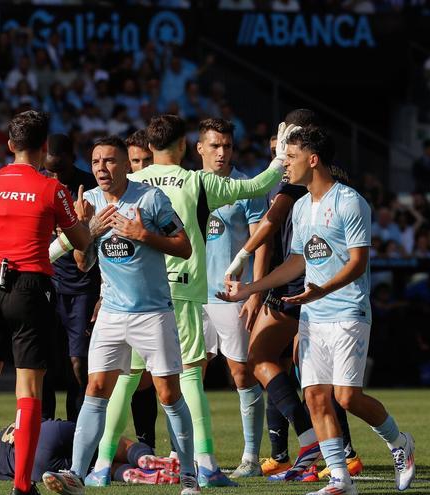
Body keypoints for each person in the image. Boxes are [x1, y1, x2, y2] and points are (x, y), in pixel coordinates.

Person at [89, 114, 284, 488]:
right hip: (182, 292)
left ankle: (100, 466)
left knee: (124, 381)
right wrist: (280, 155)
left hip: (133, 296)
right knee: (191, 376)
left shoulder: (129, 183)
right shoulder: (197, 181)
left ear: (148, 147)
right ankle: (207, 465)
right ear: (184, 146)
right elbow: (261, 184)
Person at [220, 126, 416, 495]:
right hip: (313, 315)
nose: (284, 166)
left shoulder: (350, 202)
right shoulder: (298, 207)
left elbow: (358, 263)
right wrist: (250, 288)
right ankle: (340, 480)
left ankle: (399, 442)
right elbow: (296, 262)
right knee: (315, 396)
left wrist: (322, 289)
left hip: (348, 312)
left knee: (346, 397)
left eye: (290, 158)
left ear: (313, 159)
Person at [42, 135, 200, 495]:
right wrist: (87, 230)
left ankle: (190, 475)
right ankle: (76, 475)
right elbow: (83, 264)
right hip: (111, 312)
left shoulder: (150, 198)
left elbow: (185, 246)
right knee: (95, 388)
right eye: (96, 161)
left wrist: (144, 234)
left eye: (110, 161)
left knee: (168, 394)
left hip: (153, 313)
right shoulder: (90, 202)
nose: (102, 167)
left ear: (127, 165)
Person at [0, 110, 91, 495]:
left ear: (10, 145)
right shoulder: (52, 189)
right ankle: (21, 486)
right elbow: (81, 243)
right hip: (31, 287)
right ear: (45, 148)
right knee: (29, 391)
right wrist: (84, 220)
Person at [224, 110, 362, 482]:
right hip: (307, 285)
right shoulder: (332, 180)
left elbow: (270, 225)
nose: (283, 161)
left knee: (265, 360)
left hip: (303, 288)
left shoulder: (305, 183)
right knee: (308, 376)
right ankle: (318, 452)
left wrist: (245, 265)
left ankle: (313, 444)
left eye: (287, 152)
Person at [195, 118, 268, 478]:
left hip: (231, 295)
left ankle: (251, 457)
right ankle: (196, 455)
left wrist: (255, 291)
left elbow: (262, 240)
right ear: (200, 149)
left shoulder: (246, 187)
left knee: (241, 372)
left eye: (227, 146)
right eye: (215, 145)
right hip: (193, 295)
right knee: (191, 375)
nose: (222, 152)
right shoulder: (189, 186)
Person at [44, 134, 100, 421]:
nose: (54, 176)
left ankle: (76, 432)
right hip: (46, 283)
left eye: (59, 169)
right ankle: (44, 431)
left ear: (72, 157)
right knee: (44, 364)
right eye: (49, 169)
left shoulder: (90, 187)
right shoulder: (40, 185)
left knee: (79, 364)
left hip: (83, 285)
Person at [0, 419, 179, 485]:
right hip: (49, 434)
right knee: (105, 443)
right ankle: (143, 457)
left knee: (96, 468)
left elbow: (7, 477)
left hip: (35, 467)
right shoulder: (11, 426)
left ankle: (129, 474)